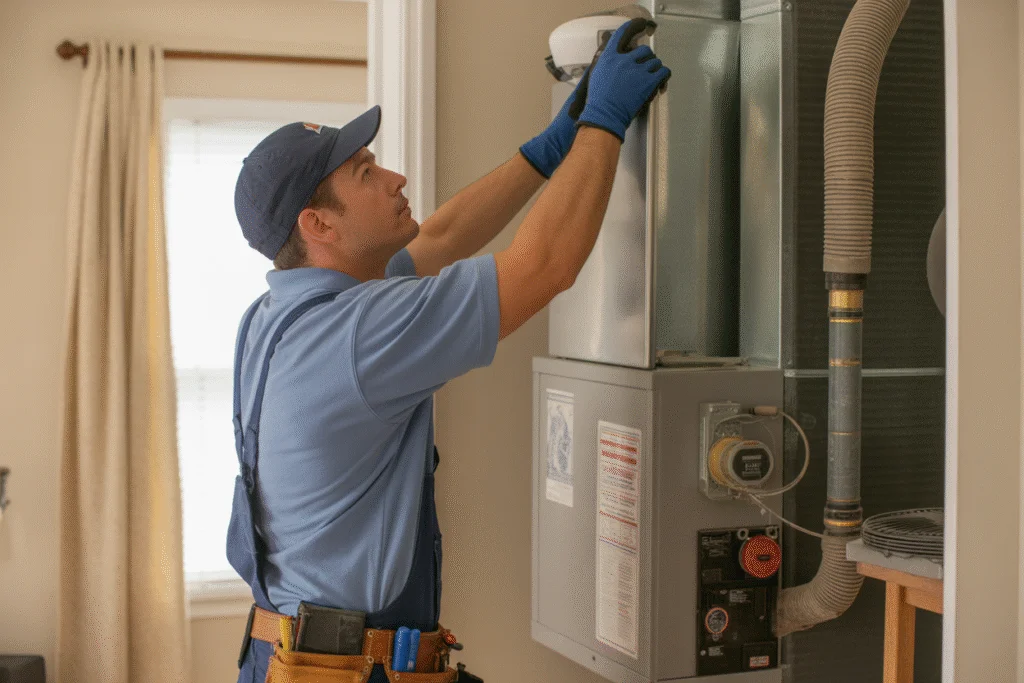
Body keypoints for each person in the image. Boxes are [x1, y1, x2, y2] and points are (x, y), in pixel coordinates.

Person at [229, 18, 670, 683]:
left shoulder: (276, 315)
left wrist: (548, 151)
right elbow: (544, 265)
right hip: (346, 669)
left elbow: (444, 233)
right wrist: (603, 122)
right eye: (366, 172)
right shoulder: (361, 332)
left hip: (286, 651)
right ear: (318, 225)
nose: (395, 176)